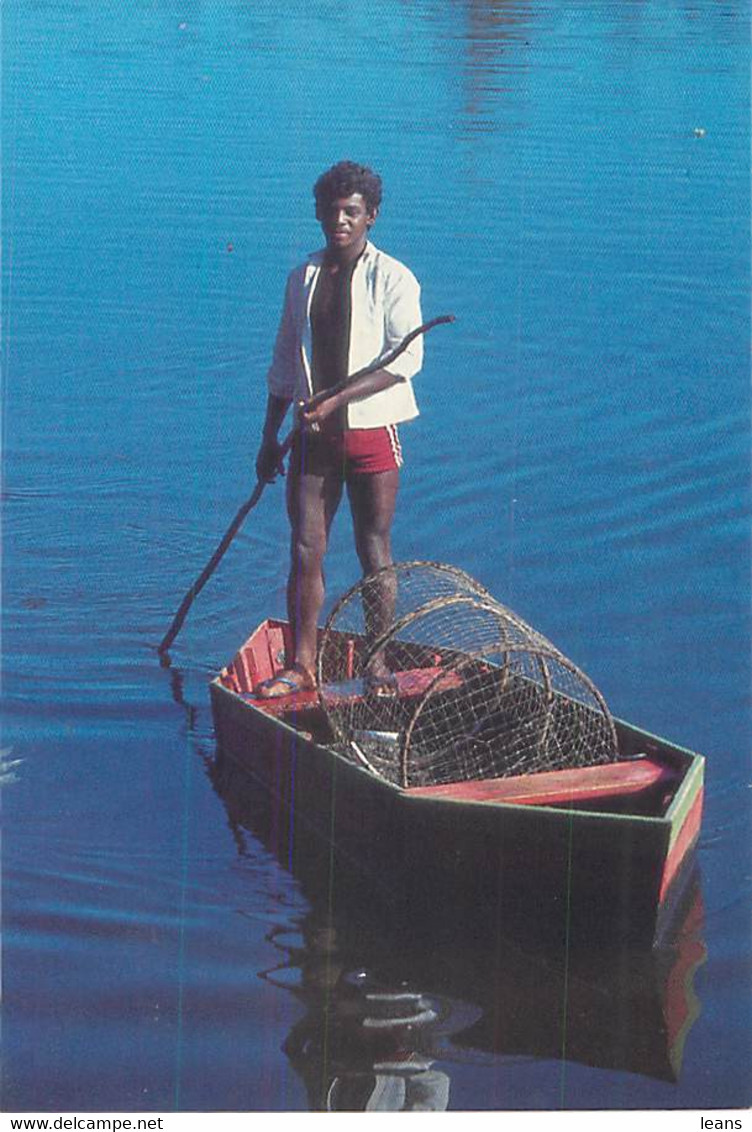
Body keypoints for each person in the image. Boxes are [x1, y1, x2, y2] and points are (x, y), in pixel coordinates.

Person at [254, 160, 423, 698]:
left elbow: (405, 359)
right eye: (331, 211)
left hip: (372, 434)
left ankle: (376, 661)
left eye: (352, 211)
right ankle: (302, 664)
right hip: (311, 439)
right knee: (306, 549)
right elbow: (285, 362)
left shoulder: (393, 277)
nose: (340, 221)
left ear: (371, 215)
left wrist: (336, 400)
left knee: (373, 546)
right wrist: (268, 436)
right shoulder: (302, 277)